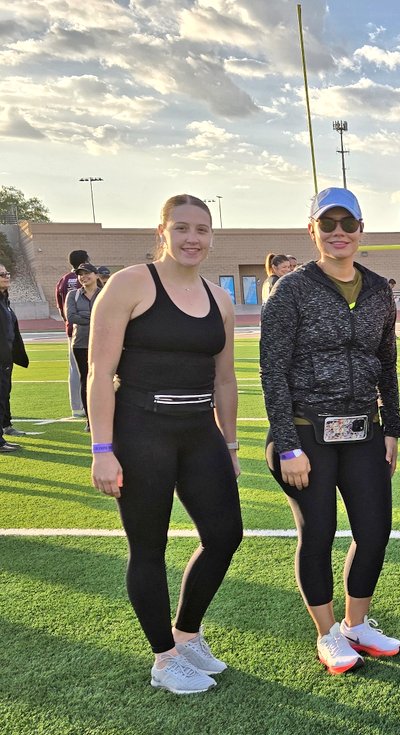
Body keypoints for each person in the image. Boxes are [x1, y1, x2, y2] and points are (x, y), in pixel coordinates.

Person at [89, 194, 243, 693]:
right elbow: (99, 371)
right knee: (149, 547)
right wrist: (102, 449)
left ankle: (187, 633)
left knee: (225, 535)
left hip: (200, 431)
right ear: (162, 232)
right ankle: (164, 658)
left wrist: (232, 444)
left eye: (202, 229)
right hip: (141, 429)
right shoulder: (130, 283)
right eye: (181, 228)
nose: (192, 238)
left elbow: (225, 380)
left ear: (212, 236)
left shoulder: (219, 298)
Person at [260, 187, 400, 676]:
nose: (339, 232)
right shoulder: (292, 290)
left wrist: (392, 427)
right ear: (313, 230)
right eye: (329, 224)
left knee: (374, 530)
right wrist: (287, 441)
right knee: (317, 532)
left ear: (361, 229)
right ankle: (326, 634)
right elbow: (272, 371)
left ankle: (355, 624)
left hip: (364, 429)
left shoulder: (380, 289)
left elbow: (387, 363)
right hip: (306, 433)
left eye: (348, 223)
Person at [64, 262, 101, 430]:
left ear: (96, 275)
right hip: (81, 344)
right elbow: (71, 317)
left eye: (87, 273)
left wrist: (85, 315)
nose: (83, 277)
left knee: (105, 380)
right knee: (85, 381)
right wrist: (94, 317)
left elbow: (109, 316)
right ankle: (89, 420)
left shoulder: (105, 294)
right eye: (80, 274)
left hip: (103, 343)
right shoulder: (73, 295)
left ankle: (106, 416)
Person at [56, 249, 89, 418]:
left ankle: (77, 407)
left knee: (75, 370)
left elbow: (60, 306)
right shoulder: (88, 277)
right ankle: (87, 405)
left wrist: (68, 321)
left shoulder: (63, 280)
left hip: (71, 329)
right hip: (86, 330)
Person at [0, 265, 29, 452]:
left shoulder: (5, 300)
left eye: (7, 273)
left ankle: (5, 426)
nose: (6, 276)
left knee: (4, 394)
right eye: (1, 274)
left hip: (6, 357)